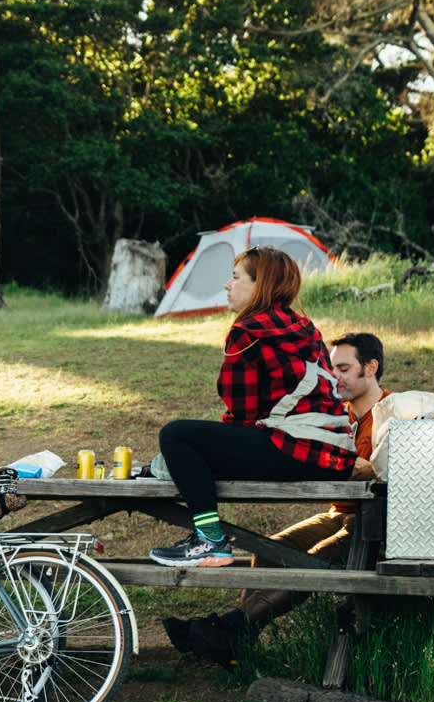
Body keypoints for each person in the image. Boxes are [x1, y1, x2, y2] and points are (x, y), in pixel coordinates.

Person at [164, 331, 385, 657]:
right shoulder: (335, 417)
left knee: (317, 559)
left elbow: (377, 473)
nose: (334, 376)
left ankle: (229, 628)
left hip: (373, 523)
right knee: (272, 548)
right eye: (332, 368)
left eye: (344, 368)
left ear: (371, 367)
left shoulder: (391, 412)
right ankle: (238, 638)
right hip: (339, 512)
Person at [149, 247, 355, 569]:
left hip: (295, 449)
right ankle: (208, 536)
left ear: (260, 286)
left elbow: (242, 418)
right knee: (193, 447)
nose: (227, 286)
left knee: (176, 436)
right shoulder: (305, 327)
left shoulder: (247, 332)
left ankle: (210, 540)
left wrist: (202, 454)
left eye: (235, 278)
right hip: (334, 456)